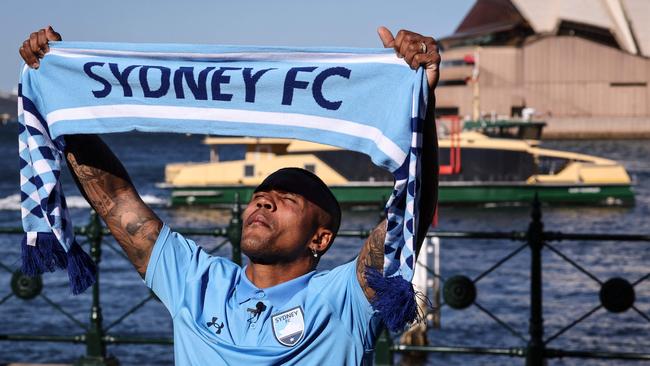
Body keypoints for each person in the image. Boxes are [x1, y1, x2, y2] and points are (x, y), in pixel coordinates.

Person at [19, 26, 440, 365]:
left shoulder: (342, 298)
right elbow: (116, 201)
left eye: (288, 199)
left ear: (320, 239)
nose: (263, 202)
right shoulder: (196, 282)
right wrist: (65, 95)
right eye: (261, 195)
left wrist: (421, 102)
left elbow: (410, 214)